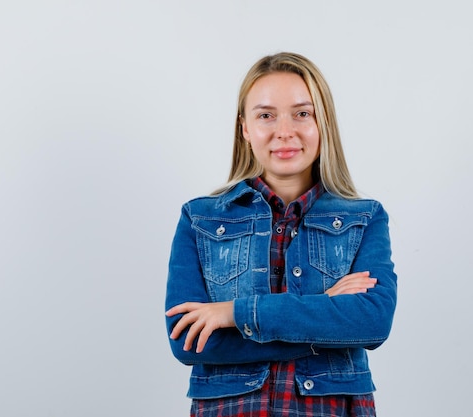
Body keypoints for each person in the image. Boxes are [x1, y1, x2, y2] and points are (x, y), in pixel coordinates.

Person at [165, 52, 397, 417]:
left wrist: (233, 313)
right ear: (244, 127)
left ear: (324, 123)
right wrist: (325, 313)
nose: (284, 131)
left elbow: (371, 322)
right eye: (266, 115)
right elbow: (188, 342)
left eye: (302, 113)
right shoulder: (200, 219)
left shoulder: (364, 218)